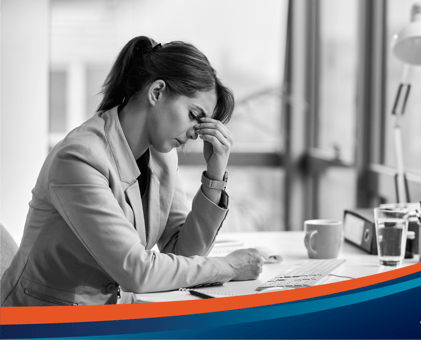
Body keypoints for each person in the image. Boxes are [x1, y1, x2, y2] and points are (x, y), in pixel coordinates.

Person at [0, 36, 263, 306]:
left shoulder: (163, 158)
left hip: (113, 317)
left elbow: (182, 253)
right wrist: (228, 267)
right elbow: (136, 271)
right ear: (157, 92)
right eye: (194, 116)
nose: (196, 134)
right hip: (39, 322)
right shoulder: (78, 159)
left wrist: (214, 178)